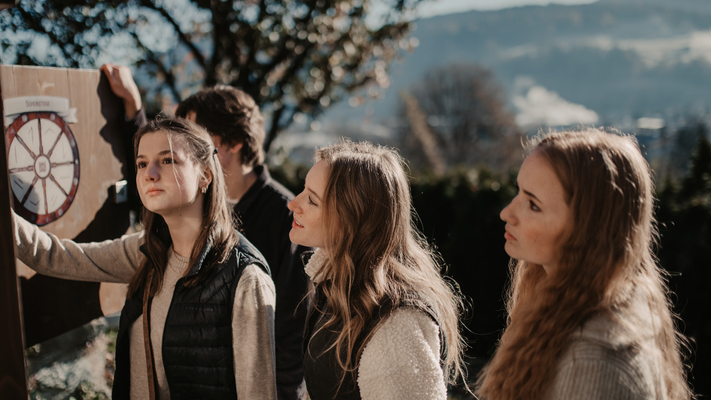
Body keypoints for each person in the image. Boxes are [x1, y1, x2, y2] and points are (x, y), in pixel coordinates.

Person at [13, 117, 278, 400]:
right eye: (141, 164)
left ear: (205, 175)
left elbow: (258, 394)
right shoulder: (146, 251)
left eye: (167, 160)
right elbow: (52, 256)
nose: (150, 174)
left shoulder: (245, 277)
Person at [102, 64, 310, 400]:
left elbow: (289, 329)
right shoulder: (197, 206)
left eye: (196, 133)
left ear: (236, 143)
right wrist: (134, 109)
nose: (184, 144)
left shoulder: (285, 217)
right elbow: (157, 166)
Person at [477, 129, 692, 400]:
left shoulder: (594, 363)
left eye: (533, 204)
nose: (507, 212)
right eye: (518, 192)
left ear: (586, 230)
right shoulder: (565, 308)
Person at [288, 140, 466, 400]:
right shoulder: (336, 282)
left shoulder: (397, 321)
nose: (293, 204)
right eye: (304, 190)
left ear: (352, 218)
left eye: (312, 200)